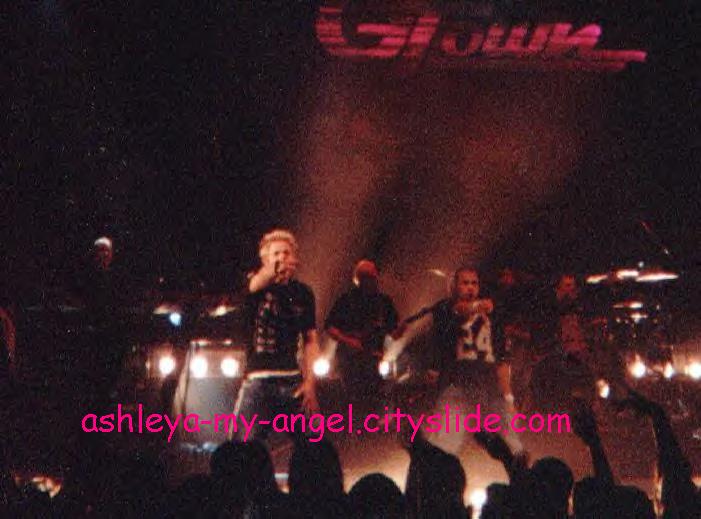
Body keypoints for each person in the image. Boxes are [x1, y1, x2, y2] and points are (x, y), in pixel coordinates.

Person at [232, 229, 320, 441]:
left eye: (286, 253)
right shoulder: (254, 285)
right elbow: (255, 284)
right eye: (276, 254)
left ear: (295, 258)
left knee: (312, 443)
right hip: (258, 382)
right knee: (242, 446)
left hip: (291, 380)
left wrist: (310, 383)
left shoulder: (303, 293)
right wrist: (273, 270)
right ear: (265, 260)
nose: (282, 258)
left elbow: (310, 340)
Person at [325, 260, 402, 410]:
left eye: (373, 276)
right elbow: (329, 327)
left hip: (374, 360)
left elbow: (394, 333)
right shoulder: (346, 300)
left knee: (373, 401)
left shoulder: (384, 302)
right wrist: (348, 340)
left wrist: (401, 330)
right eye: (366, 277)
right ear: (358, 279)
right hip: (349, 361)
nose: (371, 281)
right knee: (349, 400)